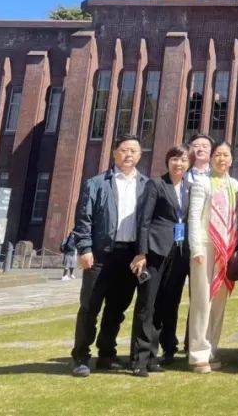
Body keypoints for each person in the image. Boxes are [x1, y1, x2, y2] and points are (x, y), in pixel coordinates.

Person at [69, 135, 150, 378]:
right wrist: (84, 248)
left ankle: (107, 353)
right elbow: (84, 218)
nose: (129, 155)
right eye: (124, 150)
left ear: (139, 155)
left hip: (129, 256)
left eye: (133, 151)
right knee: (89, 307)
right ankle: (81, 356)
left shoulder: (146, 185)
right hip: (100, 254)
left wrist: (142, 253)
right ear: (115, 153)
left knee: (117, 308)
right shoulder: (96, 183)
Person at [133, 144, 192, 374]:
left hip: (178, 254)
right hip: (156, 253)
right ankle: (139, 359)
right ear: (168, 161)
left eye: (183, 160)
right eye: (175, 159)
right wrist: (141, 252)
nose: (179, 164)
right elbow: (144, 220)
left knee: (168, 306)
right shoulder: (156, 184)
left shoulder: (188, 188)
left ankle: (153, 356)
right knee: (148, 305)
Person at [186, 141, 238, 373]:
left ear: (231, 159)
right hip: (205, 247)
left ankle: (212, 350)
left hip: (225, 249)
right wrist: (196, 248)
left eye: (226, 155)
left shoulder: (234, 185)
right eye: (218, 154)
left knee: (219, 302)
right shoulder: (202, 183)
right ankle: (197, 353)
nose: (221, 159)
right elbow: (194, 218)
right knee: (202, 301)